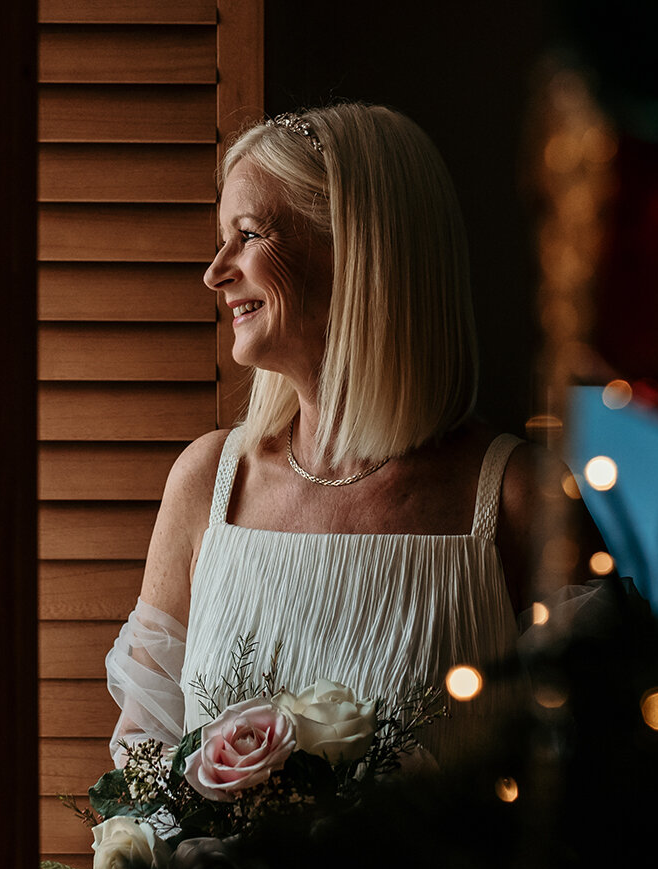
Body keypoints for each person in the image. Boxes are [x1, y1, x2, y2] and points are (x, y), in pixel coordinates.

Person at [106, 103, 597, 765]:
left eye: (248, 233)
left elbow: (595, 780)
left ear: (357, 247)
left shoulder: (518, 500)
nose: (216, 271)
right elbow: (140, 758)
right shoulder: (208, 484)